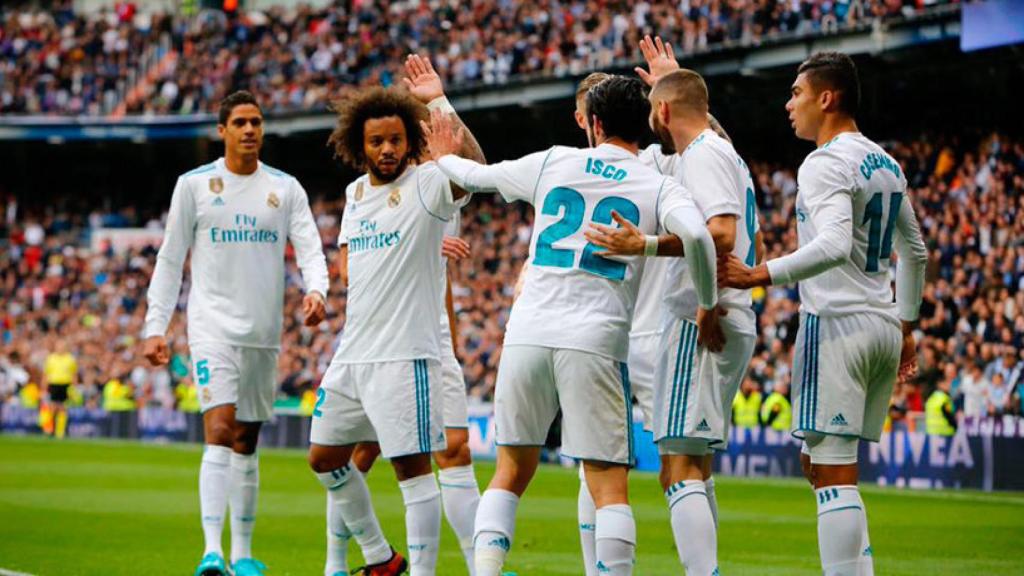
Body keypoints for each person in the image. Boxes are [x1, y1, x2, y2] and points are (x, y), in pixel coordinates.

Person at [424, 74, 719, 576]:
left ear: (595, 123)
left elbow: (479, 177)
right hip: (595, 339)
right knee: (608, 485)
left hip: (528, 332)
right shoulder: (658, 183)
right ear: (646, 125)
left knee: (510, 473)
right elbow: (699, 236)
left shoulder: (555, 161)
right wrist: (708, 303)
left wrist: (441, 155)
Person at [719, 52, 928, 575]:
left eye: (797, 93)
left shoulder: (824, 162)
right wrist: (905, 325)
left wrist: (759, 274)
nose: (789, 104)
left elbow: (834, 245)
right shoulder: (886, 162)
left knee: (834, 476)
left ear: (827, 98)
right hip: (881, 323)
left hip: (837, 325)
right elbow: (916, 251)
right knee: (823, 467)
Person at [585, 42, 761, 573]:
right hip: (728, 316)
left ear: (662, 110)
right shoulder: (720, 151)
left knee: (678, 465)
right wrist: (675, 79)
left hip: (699, 318)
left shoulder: (703, 155)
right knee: (693, 466)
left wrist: (647, 246)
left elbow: (721, 234)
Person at [307, 54, 485, 576]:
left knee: (413, 473)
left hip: (405, 354)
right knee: (325, 458)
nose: (386, 149)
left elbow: (474, 163)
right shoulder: (355, 194)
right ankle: (380, 558)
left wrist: (438, 100)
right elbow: (349, 259)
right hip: (353, 353)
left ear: (411, 140)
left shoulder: (428, 185)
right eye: (376, 141)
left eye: (395, 140)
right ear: (358, 145)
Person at [142, 91, 329, 576]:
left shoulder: (284, 188)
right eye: (240, 122)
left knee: (247, 438)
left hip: (263, 331)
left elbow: (309, 246)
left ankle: (243, 553)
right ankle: (212, 551)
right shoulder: (194, 186)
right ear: (222, 131)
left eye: (257, 122)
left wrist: (317, 291)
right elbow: (170, 257)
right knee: (220, 429)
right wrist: (154, 326)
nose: (250, 130)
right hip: (212, 326)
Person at [42, 339, 77, 439]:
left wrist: (74, 387)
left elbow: (74, 374)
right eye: (59, 346)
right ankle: (50, 429)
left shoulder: (70, 359)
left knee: (63, 408)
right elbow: (46, 374)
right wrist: (44, 387)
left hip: (65, 384)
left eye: (62, 346)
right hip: (53, 384)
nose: (61, 348)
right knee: (52, 408)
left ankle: (60, 432)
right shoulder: (51, 358)